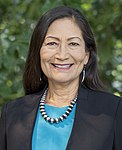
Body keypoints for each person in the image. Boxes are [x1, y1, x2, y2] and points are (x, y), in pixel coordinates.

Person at [0, 6, 122, 150]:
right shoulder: (13, 112)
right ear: (38, 52)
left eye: (73, 43)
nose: (62, 55)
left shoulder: (113, 111)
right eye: (52, 43)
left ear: (86, 56)